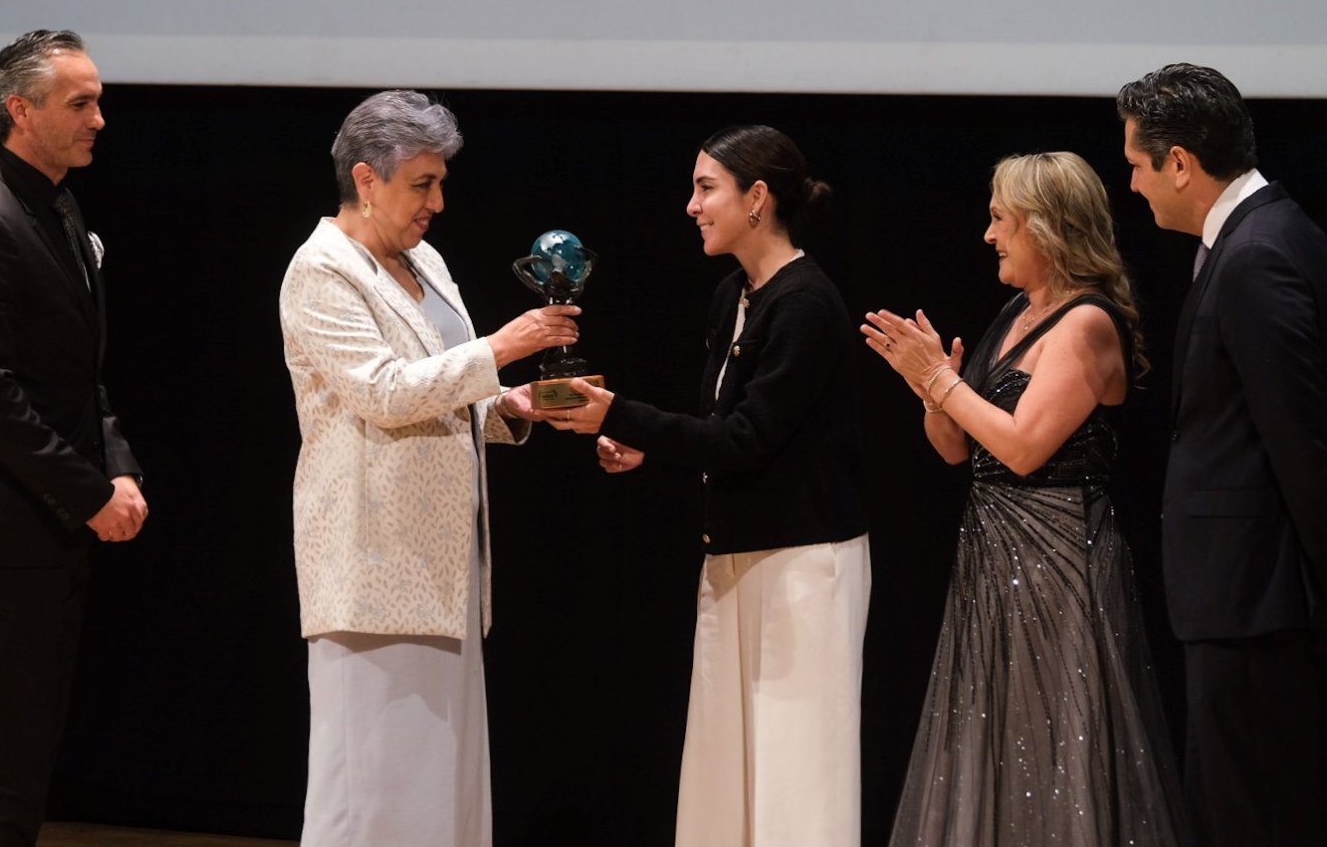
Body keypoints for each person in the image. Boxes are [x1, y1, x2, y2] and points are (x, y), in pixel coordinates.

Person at [546, 125, 871, 847]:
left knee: (796, 769)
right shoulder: (735, 294)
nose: (691, 206)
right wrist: (646, 447)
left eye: (706, 188)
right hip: (735, 556)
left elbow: (748, 440)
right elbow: (722, 427)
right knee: (726, 763)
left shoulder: (806, 305)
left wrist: (619, 412)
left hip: (802, 566)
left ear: (758, 199)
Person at [278, 89, 580, 847]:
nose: (438, 202)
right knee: (371, 797)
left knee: (440, 794)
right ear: (366, 179)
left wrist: (513, 407)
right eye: (423, 184)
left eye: (441, 182)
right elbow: (382, 392)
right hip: (372, 568)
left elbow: (448, 389)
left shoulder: (425, 262)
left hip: (444, 572)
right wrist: (501, 350)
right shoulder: (321, 271)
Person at [862, 152, 1188, 846]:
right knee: (998, 746)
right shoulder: (1017, 313)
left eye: (1000, 219)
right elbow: (959, 450)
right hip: (993, 565)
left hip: (1059, 568)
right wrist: (932, 387)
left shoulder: (1086, 324)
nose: (989, 235)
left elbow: (1022, 446)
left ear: (1045, 228)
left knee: (1057, 749)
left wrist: (944, 385)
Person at [0, 29, 149, 845]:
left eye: (99, 101)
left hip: (45, 523)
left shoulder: (53, 203)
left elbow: (81, 371)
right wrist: (88, 492)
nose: (98, 120)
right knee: (6, 759)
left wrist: (118, 470)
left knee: (27, 752)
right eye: (80, 103)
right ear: (20, 110)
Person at [1117, 63, 1327, 846]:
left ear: (1181, 163)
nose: (1132, 185)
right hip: (1247, 598)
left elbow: (1301, 441)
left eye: (1138, 164)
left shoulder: (1257, 254)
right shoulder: (1265, 235)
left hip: (1257, 603)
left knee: (1254, 816)